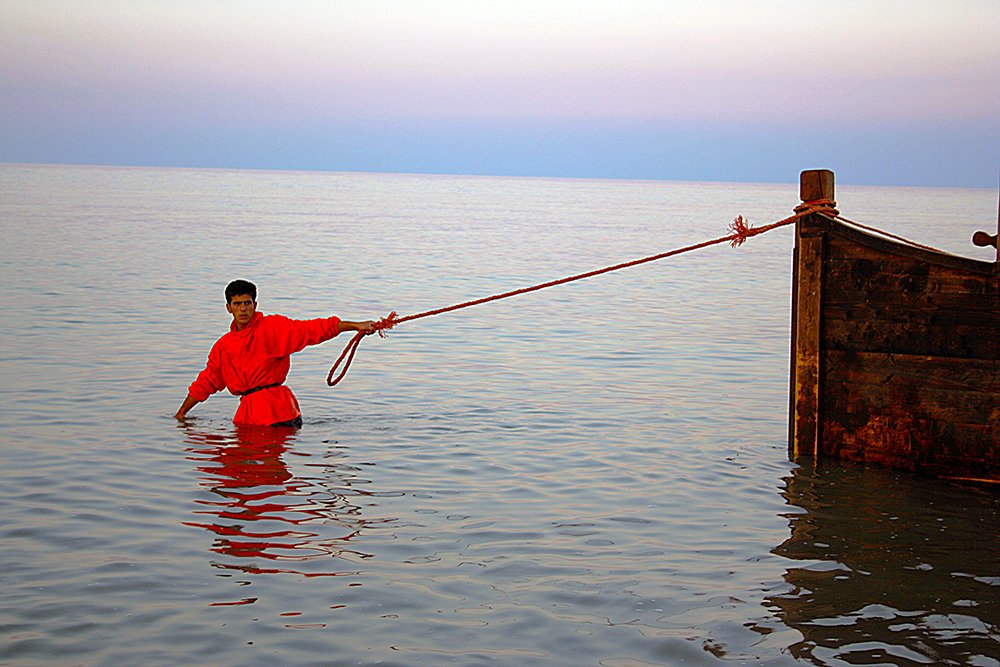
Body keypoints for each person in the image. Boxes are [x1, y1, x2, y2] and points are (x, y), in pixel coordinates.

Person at [175, 279, 376, 427]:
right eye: (237, 304)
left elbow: (312, 329)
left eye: (247, 303)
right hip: (255, 414)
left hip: (278, 412)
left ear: (255, 305)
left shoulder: (272, 328)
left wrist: (355, 325)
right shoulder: (223, 346)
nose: (243, 309)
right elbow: (207, 381)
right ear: (229, 308)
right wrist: (182, 412)